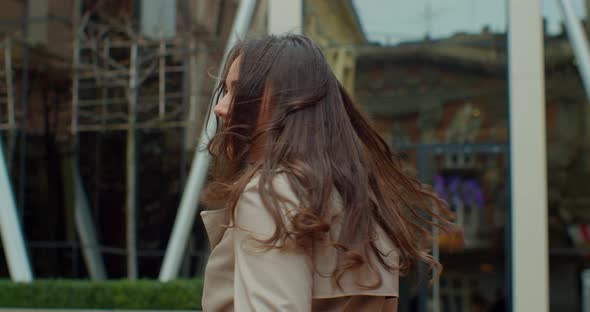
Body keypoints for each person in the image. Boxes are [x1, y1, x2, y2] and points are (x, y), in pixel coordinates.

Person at [199, 34, 459, 312]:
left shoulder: (269, 195)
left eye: (238, 90)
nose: (221, 107)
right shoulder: (356, 200)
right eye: (224, 91)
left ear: (286, 101)